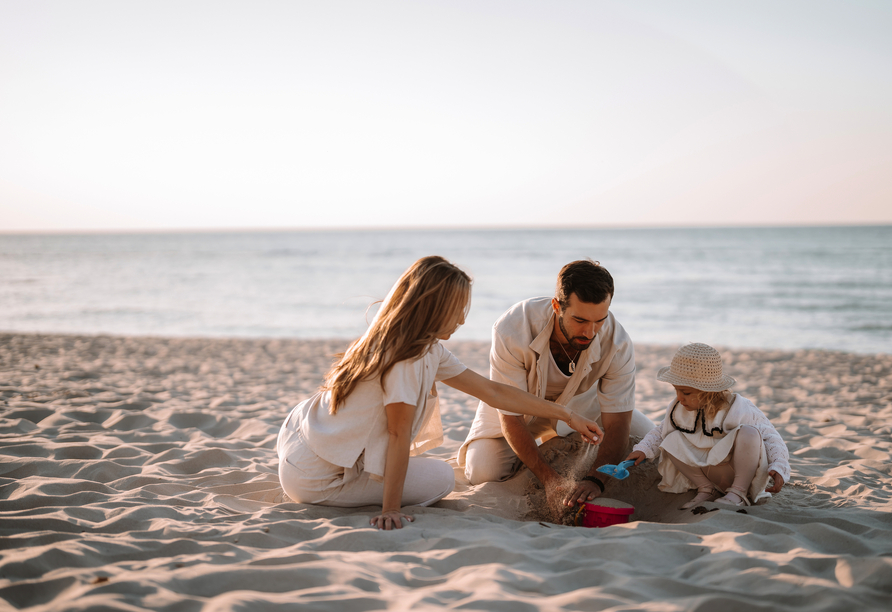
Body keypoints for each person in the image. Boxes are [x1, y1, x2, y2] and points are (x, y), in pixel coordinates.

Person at [277, 256, 603, 530]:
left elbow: (492, 391)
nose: (462, 319)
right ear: (435, 306)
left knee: (427, 470)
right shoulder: (408, 357)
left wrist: (567, 414)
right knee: (442, 478)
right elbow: (398, 433)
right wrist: (390, 508)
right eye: (458, 308)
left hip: (300, 444)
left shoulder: (412, 341)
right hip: (317, 479)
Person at [458, 259, 654, 507]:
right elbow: (510, 415)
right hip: (514, 404)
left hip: (583, 409)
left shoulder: (618, 342)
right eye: (580, 321)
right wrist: (549, 479)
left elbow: (617, 422)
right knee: (482, 472)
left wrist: (595, 480)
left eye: (600, 320)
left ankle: (555, 446)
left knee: (649, 441)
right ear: (556, 306)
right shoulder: (513, 328)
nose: (590, 333)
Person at [626, 343, 790, 508]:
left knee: (749, 433)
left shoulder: (738, 407)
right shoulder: (680, 409)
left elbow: (771, 436)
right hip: (707, 472)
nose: (679, 398)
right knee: (671, 438)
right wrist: (643, 449)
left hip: (738, 473)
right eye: (676, 390)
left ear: (708, 391)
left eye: (686, 393)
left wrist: (779, 466)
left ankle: (738, 493)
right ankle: (706, 488)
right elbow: (660, 431)